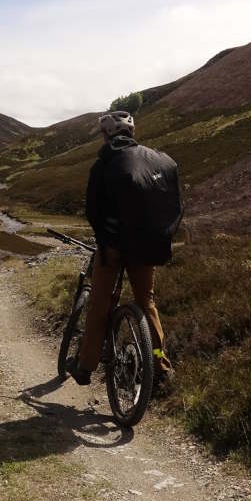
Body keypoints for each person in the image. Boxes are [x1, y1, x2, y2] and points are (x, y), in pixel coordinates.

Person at [66, 110, 182, 387]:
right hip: (149, 244)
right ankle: (160, 365)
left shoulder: (105, 163)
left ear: (106, 135)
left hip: (114, 247)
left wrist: (104, 239)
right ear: (132, 132)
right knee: (147, 303)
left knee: (100, 303)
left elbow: (93, 210)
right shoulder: (158, 159)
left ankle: (85, 367)